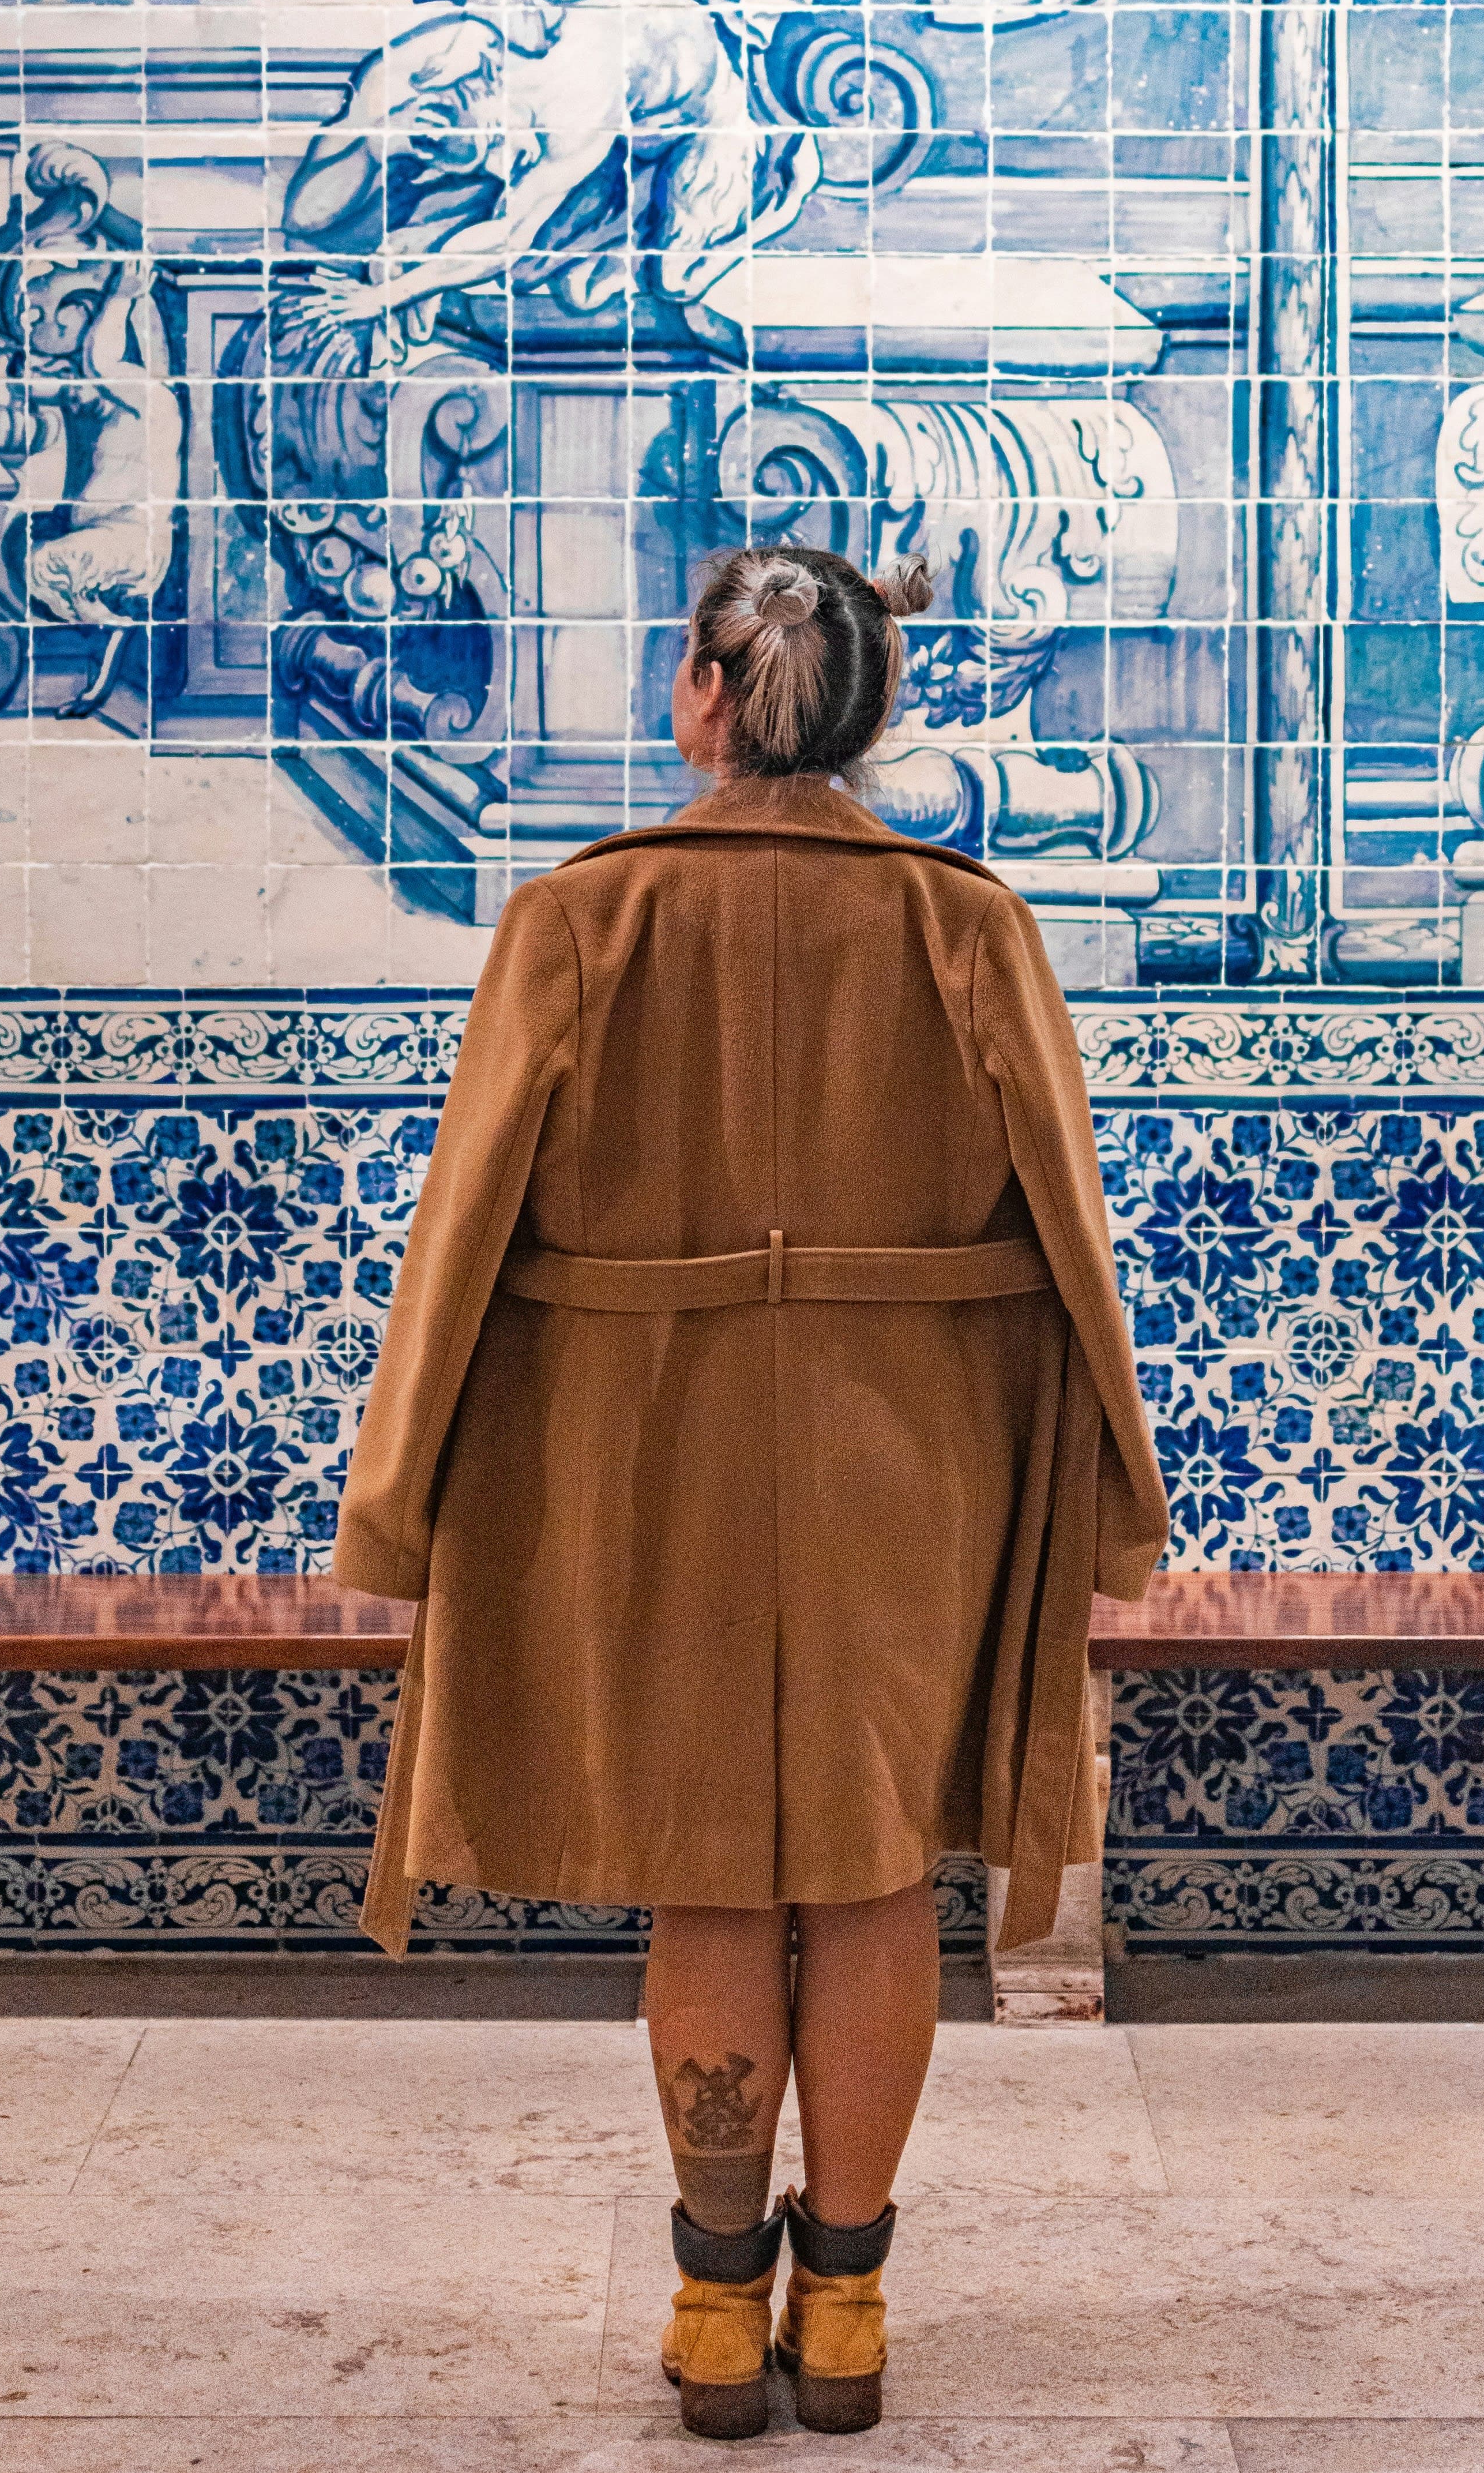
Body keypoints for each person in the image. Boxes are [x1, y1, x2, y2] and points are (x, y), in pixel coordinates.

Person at [335, 542, 1169, 2440]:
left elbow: (460, 1228)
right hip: (913, 1459)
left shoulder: (580, 922)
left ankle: (721, 2315)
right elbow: (1071, 1226)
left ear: (702, 695)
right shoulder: (969, 925)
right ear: (876, 709)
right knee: (873, 1867)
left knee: (713, 1868)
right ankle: (849, 2312)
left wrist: (396, 1500)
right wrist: (1117, 1489)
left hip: (654, 1451)